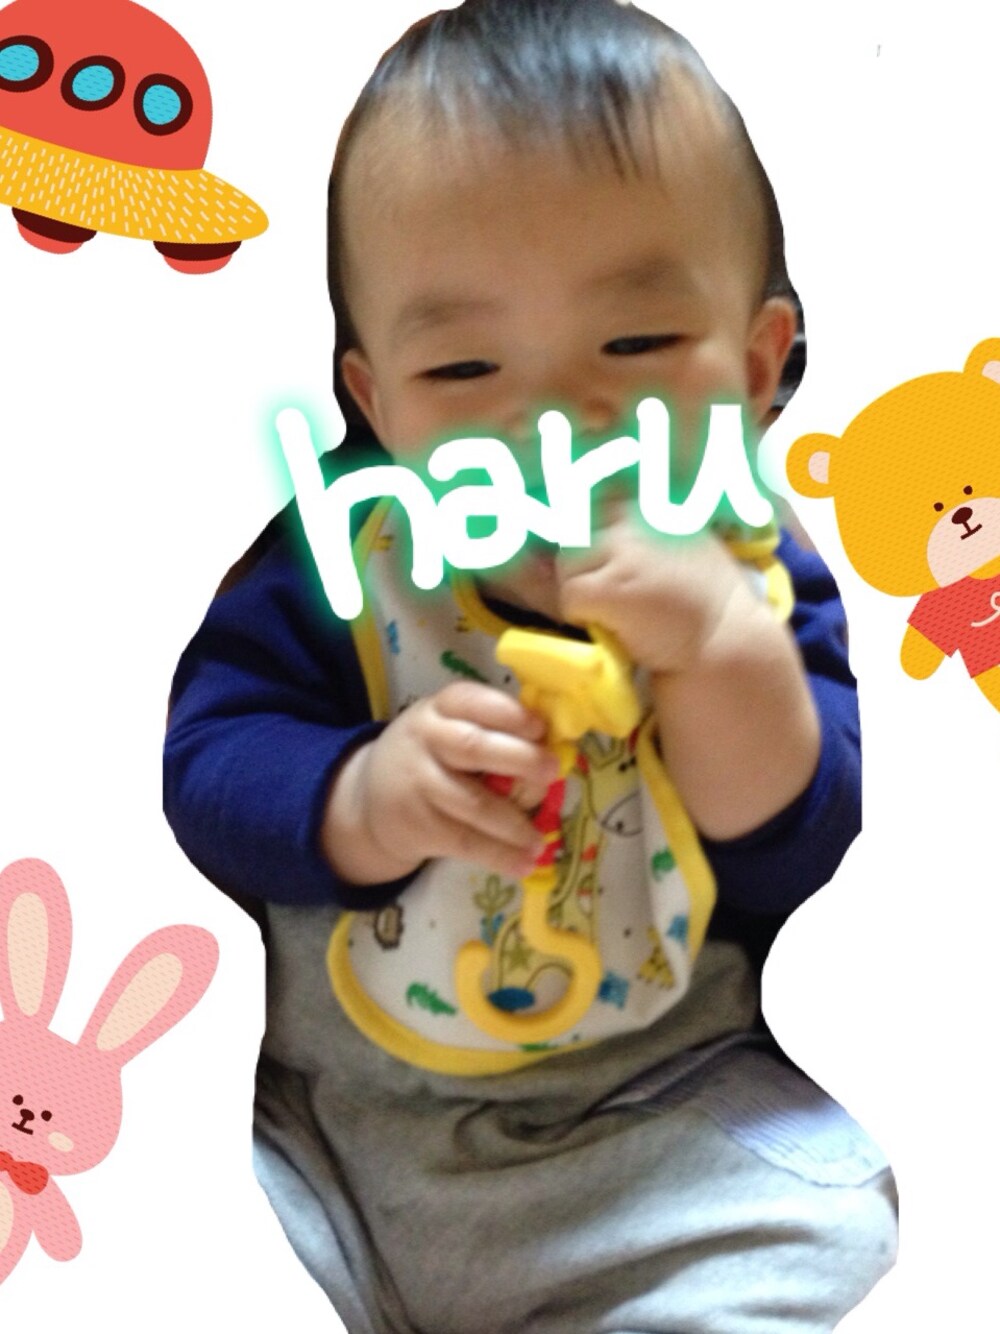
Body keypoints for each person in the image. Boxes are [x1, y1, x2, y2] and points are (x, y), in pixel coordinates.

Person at [164, 3, 897, 1329]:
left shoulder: (750, 565)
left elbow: (799, 842)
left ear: (756, 366)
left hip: (649, 1118)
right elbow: (209, 760)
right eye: (464, 364)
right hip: (335, 1139)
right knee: (123, 1211)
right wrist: (359, 795)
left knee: (826, 1227)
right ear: (378, 401)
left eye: (634, 345)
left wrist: (722, 657)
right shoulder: (348, 559)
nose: (552, 415)